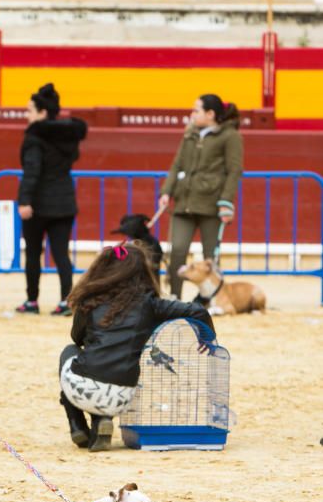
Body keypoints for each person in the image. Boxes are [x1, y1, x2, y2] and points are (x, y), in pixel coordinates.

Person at [60, 242, 215, 452]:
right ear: (142, 272)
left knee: (69, 352)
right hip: (123, 395)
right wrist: (205, 337)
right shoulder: (150, 303)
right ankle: (102, 420)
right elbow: (198, 311)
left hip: (81, 391)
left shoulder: (90, 300)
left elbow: (76, 338)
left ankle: (77, 423)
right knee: (109, 370)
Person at [158, 94, 243, 299]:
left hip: (211, 203)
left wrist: (226, 202)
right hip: (184, 201)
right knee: (177, 250)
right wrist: (166, 192)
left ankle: (210, 300)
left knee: (210, 257)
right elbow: (177, 164)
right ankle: (175, 297)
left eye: (196, 110)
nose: (192, 114)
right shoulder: (190, 133)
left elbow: (234, 170)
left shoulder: (230, 136)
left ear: (210, 114)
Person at [15, 83, 87, 316]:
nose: (27, 116)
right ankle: (67, 301)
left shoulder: (34, 137)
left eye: (30, 111)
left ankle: (32, 301)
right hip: (64, 201)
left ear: (42, 113)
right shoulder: (67, 135)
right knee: (60, 254)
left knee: (34, 253)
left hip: (38, 203)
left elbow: (32, 171)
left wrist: (25, 200)